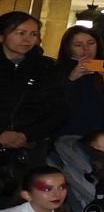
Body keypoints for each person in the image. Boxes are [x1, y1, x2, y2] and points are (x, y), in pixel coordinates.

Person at [0, 12, 66, 171]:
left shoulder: (46, 68)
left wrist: (26, 135)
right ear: (2, 36)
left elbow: (59, 110)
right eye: (20, 33)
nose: (27, 39)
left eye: (33, 34)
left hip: (29, 150)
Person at [54, 25, 104, 139]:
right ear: (68, 48)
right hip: (61, 138)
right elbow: (50, 107)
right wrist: (71, 79)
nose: (86, 49)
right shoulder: (57, 71)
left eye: (91, 43)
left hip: (93, 141)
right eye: (78, 45)